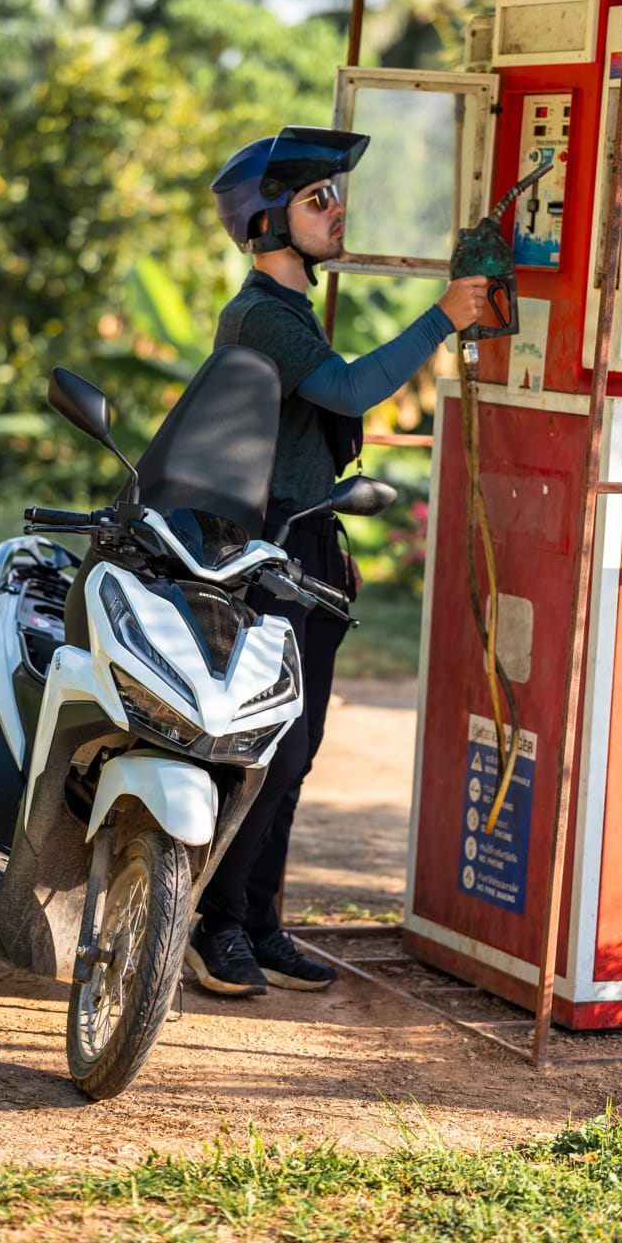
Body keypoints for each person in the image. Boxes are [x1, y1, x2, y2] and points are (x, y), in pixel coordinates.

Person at [184, 126, 487, 998]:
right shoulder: (258, 316)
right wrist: (443, 316)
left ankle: (260, 923)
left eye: (335, 196)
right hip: (268, 547)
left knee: (300, 746)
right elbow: (349, 390)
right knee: (269, 749)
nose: (337, 210)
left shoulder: (291, 311)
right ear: (270, 220)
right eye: (320, 199)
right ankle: (215, 927)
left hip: (309, 544)